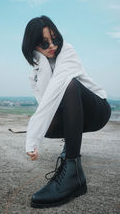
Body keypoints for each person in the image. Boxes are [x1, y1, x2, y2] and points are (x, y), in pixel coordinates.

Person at [22, 15, 111, 208]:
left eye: (54, 39)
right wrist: (40, 61)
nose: (52, 46)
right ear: (33, 46)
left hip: (97, 110)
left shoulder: (67, 52)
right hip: (74, 116)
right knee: (47, 124)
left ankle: (73, 173)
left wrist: (32, 137)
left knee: (68, 85)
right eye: (43, 43)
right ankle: (69, 144)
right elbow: (47, 105)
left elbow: (54, 92)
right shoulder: (35, 74)